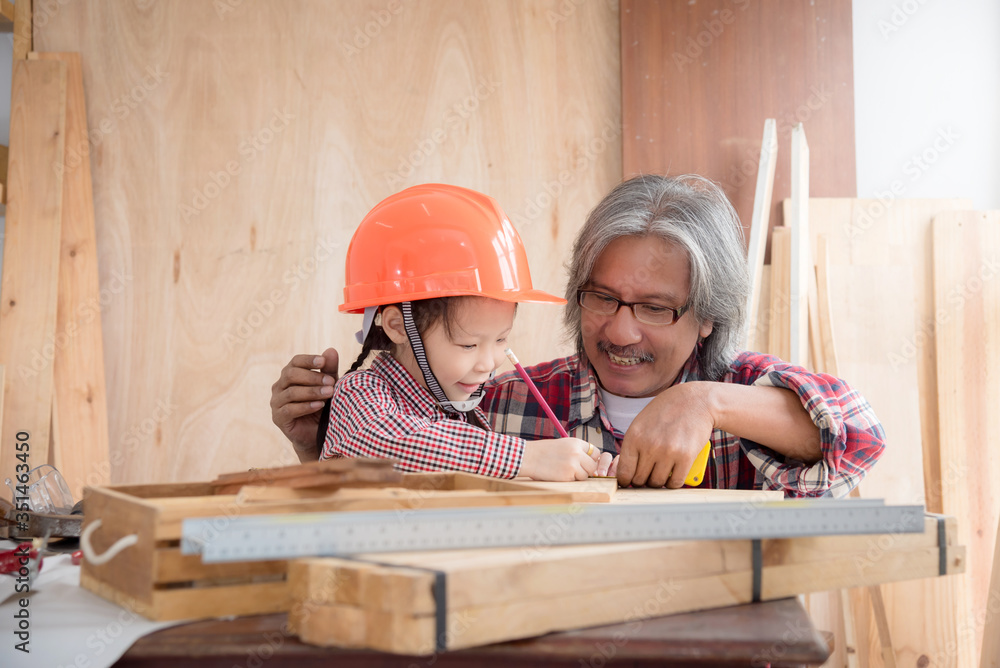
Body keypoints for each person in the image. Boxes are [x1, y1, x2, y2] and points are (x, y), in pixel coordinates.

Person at [272, 175, 886, 497]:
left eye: (653, 307)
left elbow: (858, 437)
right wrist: (319, 444)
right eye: (601, 298)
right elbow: (404, 462)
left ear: (707, 317)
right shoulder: (499, 401)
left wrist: (704, 401)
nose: (620, 329)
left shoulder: (743, 393)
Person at [316, 183, 600, 481]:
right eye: (468, 345)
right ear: (398, 327)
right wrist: (527, 458)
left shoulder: (463, 414)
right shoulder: (359, 393)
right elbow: (387, 442)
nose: (489, 363)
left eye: (501, 339)